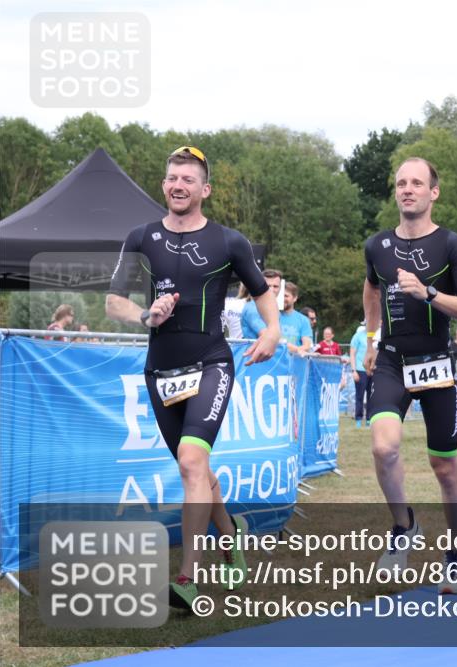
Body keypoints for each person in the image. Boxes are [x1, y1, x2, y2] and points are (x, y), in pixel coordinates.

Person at [106, 145, 281, 610]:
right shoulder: (140, 237)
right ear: (164, 185)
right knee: (197, 469)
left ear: (205, 189)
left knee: (189, 460)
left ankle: (187, 577)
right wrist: (147, 313)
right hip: (159, 370)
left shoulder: (229, 242)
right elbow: (113, 302)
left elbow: (263, 293)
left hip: (210, 363)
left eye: (188, 180)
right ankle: (231, 532)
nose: (178, 186)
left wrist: (274, 330)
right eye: (172, 178)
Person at [362, 157, 457, 592]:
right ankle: (404, 526)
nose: (407, 189)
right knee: (383, 448)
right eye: (400, 183)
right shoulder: (376, 245)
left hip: (436, 362)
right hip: (392, 359)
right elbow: (372, 286)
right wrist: (372, 338)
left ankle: (456, 553)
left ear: (434, 192)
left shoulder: (450, 244)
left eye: (417, 183)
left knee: (443, 466)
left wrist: (428, 293)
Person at [241, 269, 282, 338]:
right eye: (268, 286)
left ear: (280, 288)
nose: (271, 290)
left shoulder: (274, 308)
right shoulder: (252, 308)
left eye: (275, 286)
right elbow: (267, 336)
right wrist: (294, 348)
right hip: (253, 348)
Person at [277, 281, 313, 355]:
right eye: (281, 296)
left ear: (295, 298)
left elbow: (307, 346)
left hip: (295, 364)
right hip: (275, 363)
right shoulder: (271, 316)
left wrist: (287, 349)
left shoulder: (303, 320)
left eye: (286, 296)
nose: (283, 299)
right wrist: (298, 350)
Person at [349, 322, 372, 428]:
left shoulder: (376, 336)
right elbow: (352, 354)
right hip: (360, 369)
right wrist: (354, 371)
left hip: (373, 370)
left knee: (372, 396)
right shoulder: (357, 336)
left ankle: (369, 419)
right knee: (360, 395)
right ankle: (358, 419)